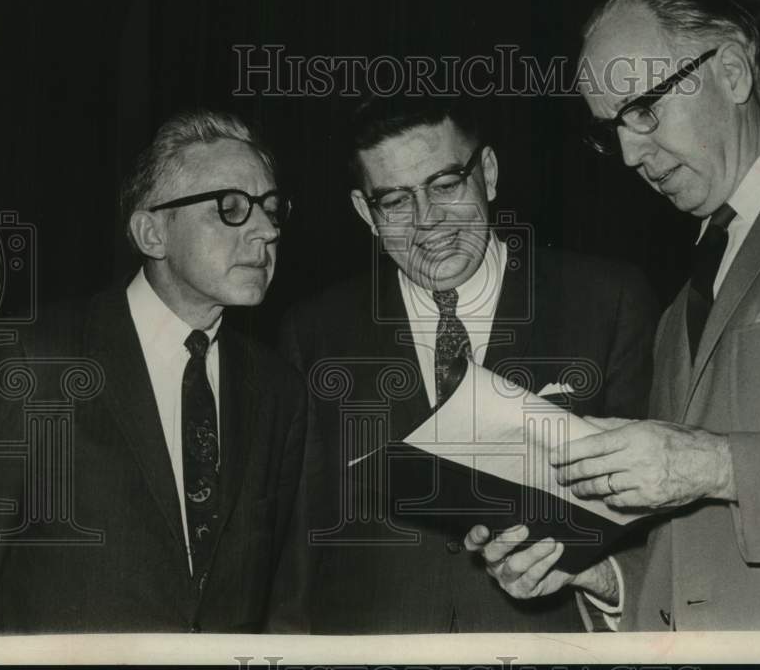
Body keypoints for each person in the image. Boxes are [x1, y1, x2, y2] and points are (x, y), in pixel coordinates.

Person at [466, 0, 760, 631]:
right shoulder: (675, 311)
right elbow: (706, 545)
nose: (629, 153)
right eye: (611, 129)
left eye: (644, 109)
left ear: (734, 72)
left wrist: (715, 464)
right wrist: (604, 576)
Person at [276, 95, 657, 633]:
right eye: (396, 201)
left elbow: (652, 530)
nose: (428, 221)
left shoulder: (608, 301)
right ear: (366, 211)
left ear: (490, 174)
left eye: (446, 185)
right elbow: (293, 554)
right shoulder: (312, 333)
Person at [0, 110, 307, 633]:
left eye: (271, 209)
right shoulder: (33, 360)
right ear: (152, 233)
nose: (267, 231)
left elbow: (282, 604)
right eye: (231, 208)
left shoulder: (280, 391)